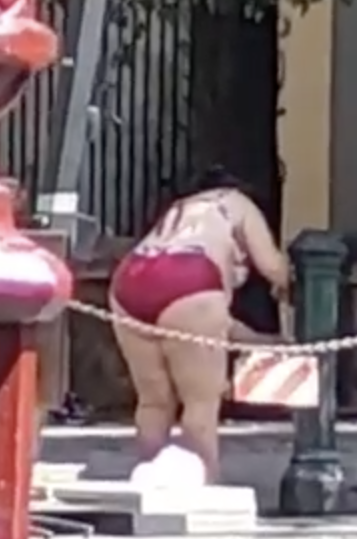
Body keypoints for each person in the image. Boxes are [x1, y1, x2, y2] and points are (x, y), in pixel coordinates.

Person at [109, 165, 290, 483]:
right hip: (191, 274)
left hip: (132, 276)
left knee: (153, 401)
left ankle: (149, 480)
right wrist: (292, 287)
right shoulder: (237, 202)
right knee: (201, 404)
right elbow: (273, 267)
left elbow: (210, 324)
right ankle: (205, 485)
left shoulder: (180, 209)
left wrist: (265, 341)